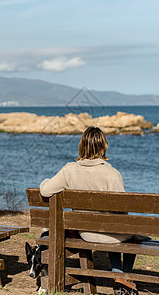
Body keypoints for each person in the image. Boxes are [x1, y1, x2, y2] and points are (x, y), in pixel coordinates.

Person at [40, 126, 139, 294]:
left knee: (113, 229)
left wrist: (46, 180)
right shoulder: (112, 174)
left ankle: (120, 275)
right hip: (109, 232)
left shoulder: (69, 170)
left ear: (82, 146)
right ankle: (122, 275)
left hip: (85, 232)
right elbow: (122, 211)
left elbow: (45, 190)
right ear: (103, 146)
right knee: (131, 232)